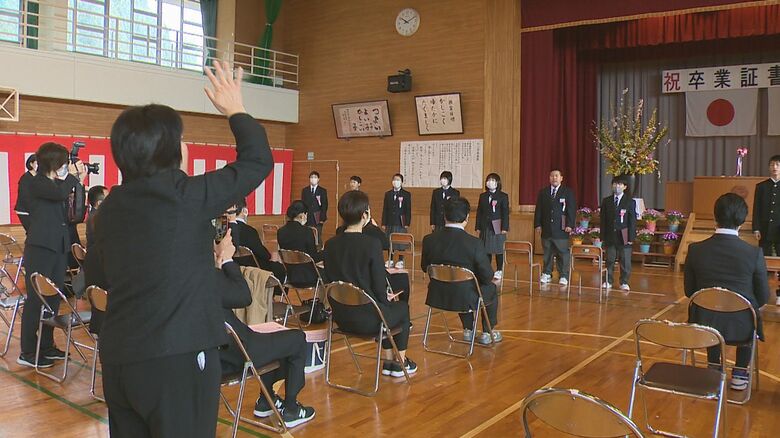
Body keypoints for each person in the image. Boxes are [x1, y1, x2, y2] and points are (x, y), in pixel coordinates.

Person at [83, 61, 274, 438]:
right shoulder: (185, 196)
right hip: (175, 360)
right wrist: (235, 109)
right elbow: (257, 161)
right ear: (169, 150)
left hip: (120, 358)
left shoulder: (107, 211)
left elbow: (100, 276)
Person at [215, 229, 315, 427]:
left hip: (217, 356)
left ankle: (265, 401)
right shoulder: (205, 275)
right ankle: (292, 408)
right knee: (296, 339)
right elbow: (243, 297)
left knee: (272, 337)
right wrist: (226, 260)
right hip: (239, 351)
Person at [324, 190, 417, 377]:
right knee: (401, 310)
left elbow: (329, 279)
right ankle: (399, 362)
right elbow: (378, 282)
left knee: (387, 310)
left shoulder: (331, 244)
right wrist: (384, 298)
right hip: (369, 319)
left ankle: (390, 361)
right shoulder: (371, 244)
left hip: (341, 317)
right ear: (364, 215)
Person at [685, 193, 769, 391]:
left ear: (715, 217)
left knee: (712, 310)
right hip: (741, 327)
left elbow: (690, 292)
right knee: (747, 313)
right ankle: (740, 372)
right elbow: (763, 297)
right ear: (743, 220)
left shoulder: (695, 250)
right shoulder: (754, 253)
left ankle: (714, 366)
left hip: (704, 324)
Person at [17, 144, 86, 368]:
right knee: (36, 300)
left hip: (59, 246)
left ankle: (46, 345)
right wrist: (73, 178)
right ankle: (27, 351)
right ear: (53, 162)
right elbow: (58, 192)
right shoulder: (34, 182)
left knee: (53, 298)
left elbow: (71, 207)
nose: (66, 166)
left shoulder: (56, 183)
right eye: (64, 161)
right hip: (40, 248)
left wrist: (79, 181)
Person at [422, 197, 501, 344]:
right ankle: (487, 332)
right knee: (489, 288)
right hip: (465, 296)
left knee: (460, 285)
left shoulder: (428, 240)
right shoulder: (474, 243)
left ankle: (468, 330)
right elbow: (487, 275)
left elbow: (424, 267)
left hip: (437, 294)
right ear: (467, 218)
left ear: (444, 216)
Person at [228, 197, 286, 282]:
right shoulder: (249, 231)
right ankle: (271, 295)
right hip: (251, 270)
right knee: (279, 268)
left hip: (232, 267)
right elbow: (263, 254)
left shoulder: (225, 229)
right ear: (244, 210)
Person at [534, 169, 576, 286]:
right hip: (546, 229)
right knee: (547, 252)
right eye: (552, 176)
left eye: (556, 176)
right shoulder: (543, 192)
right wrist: (537, 224)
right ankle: (547, 273)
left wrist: (570, 224)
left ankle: (563, 275)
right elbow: (539, 210)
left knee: (562, 253)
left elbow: (571, 210)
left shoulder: (567, 192)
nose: (554, 178)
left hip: (561, 229)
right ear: (549, 178)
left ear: (561, 178)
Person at [599, 176, 636, 291]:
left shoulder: (630, 201)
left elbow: (632, 221)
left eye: (620, 184)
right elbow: (603, 220)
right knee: (609, 259)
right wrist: (602, 236)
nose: (617, 186)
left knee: (625, 261)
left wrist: (631, 237)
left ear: (625, 187)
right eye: (615, 184)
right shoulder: (607, 201)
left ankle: (624, 282)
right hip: (610, 236)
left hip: (624, 236)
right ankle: (608, 280)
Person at [752, 154, 780, 305]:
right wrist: (756, 228)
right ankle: (762, 296)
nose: (774, 167)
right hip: (764, 230)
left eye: (777, 164)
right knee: (762, 264)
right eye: (772, 164)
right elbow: (756, 209)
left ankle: (779, 295)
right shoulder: (761, 186)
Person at [278, 200, 323, 288]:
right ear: (302, 215)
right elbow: (313, 258)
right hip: (308, 277)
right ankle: (320, 301)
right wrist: (324, 252)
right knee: (328, 274)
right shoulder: (307, 232)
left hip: (290, 276)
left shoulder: (281, 231)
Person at [476, 173, 509, 279]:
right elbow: (479, 212)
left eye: (493, 180)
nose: (490, 182)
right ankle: (487, 269)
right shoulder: (483, 196)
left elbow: (505, 213)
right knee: (486, 249)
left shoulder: (503, 196)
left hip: (498, 227)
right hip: (485, 226)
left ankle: (499, 270)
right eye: (489, 180)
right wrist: (478, 226)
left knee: (499, 249)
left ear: (497, 183)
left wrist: (505, 227)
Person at [381, 173, 411, 269]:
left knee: (400, 242)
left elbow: (408, 209)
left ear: (401, 182)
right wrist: (383, 222)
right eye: (394, 179)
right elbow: (385, 209)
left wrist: (407, 223)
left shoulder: (406, 194)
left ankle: (401, 260)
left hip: (401, 222)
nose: (395, 181)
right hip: (390, 221)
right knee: (390, 241)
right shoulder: (388, 194)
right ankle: (391, 259)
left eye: (398, 180)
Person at [301, 171, 327, 245]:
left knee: (317, 236)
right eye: (311, 177)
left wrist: (322, 217)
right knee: (307, 235)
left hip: (318, 216)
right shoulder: (305, 190)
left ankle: (319, 250)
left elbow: (324, 205)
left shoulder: (322, 191)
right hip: (307, 216)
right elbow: (303, 204)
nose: (313, 179)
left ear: (318, 179)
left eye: (315, 177)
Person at [14, 154, 37, 231]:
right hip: (25, 211)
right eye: (38, 163)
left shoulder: (39, 177)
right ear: (31, 164)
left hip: (34, 210)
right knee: (33, 232)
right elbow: (25, 197)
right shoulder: (26, 178)